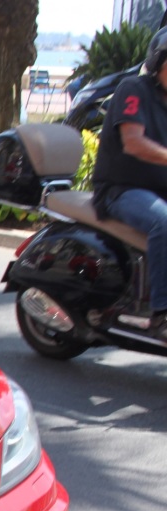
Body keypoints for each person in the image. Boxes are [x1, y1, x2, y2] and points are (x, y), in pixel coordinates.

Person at [93, 25, 167, 338]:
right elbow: (133, 143)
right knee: (164, 223)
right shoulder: (133, 89)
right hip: (121, 190)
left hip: (158, 190)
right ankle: (162, 314)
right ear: (159, 62)